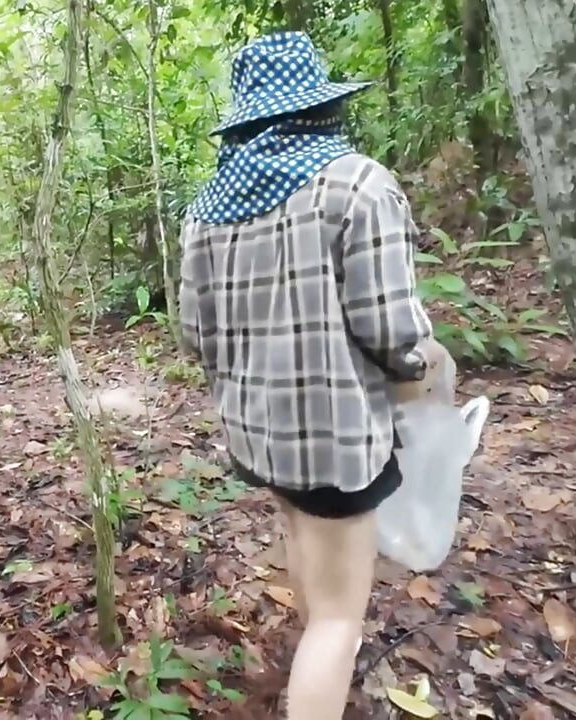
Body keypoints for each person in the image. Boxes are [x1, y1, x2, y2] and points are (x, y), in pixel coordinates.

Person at [176, 31, 451, 719]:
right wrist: (429, 366)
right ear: (319, 108)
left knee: (304, 542)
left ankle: (309, 667)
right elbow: (391, 330)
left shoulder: (205, 211)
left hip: (256, 431)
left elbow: (192, 335)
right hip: (336, 435)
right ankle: (317, 677)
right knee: (339, 622)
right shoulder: (357, 184)